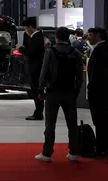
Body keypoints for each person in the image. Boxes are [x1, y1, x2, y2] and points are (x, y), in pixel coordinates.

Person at [35, 27, 84, 162]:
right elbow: (79, 76)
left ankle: (47, 153)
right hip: (69, 92)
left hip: (53, 92)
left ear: (56, 37)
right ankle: (73, 152)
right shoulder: (76, 53)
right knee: (72, 123)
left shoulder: (50, 52)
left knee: (50, 124)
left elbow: (44, 72)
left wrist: (40, 89)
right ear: (68, 37)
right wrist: (76, 90)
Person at [86, 27, 108, 158]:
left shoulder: (101, 49)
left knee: (99, 118)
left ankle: (102, 148)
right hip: (102, 86)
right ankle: (105, 147)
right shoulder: (104, 48)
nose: (88, 37)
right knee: (102, 117)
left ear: (98, 35)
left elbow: (96, 71)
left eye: (90, 35)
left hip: (98, 87)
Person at [19, 17, 46, 120]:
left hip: (37, 69)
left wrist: (21, 49)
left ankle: (38, 113)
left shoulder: (37, 37)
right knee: (35, 91)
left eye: (25, 28)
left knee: (37, 91)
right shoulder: (33, 37)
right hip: (34, 68)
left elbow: (30, 52)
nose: (25, 30)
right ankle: (38, 112)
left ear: (30, 27)